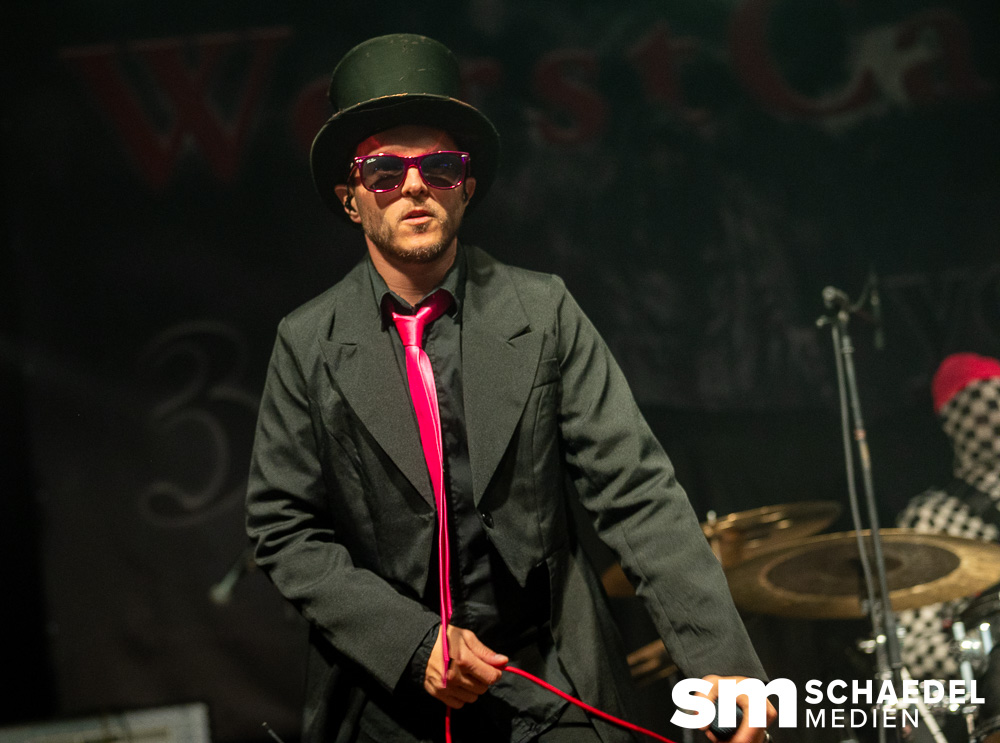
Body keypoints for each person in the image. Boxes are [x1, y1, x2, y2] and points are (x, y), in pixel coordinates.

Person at [245, 33, 774, 743]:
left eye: (439, 166)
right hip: (389, 702)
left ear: (465, 186)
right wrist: (412, 644)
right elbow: (283, 528)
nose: (413, 186)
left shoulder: (543, 310)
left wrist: (721, 665)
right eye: (384, 171)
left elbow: (637, 491)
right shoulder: (307, 342)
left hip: (550, 684)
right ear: (351, 198)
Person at [895, 353, 1000, 721]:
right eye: (977, 405)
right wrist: (986, 652)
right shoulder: (931, 520)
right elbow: (914, 652)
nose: (990, 417)